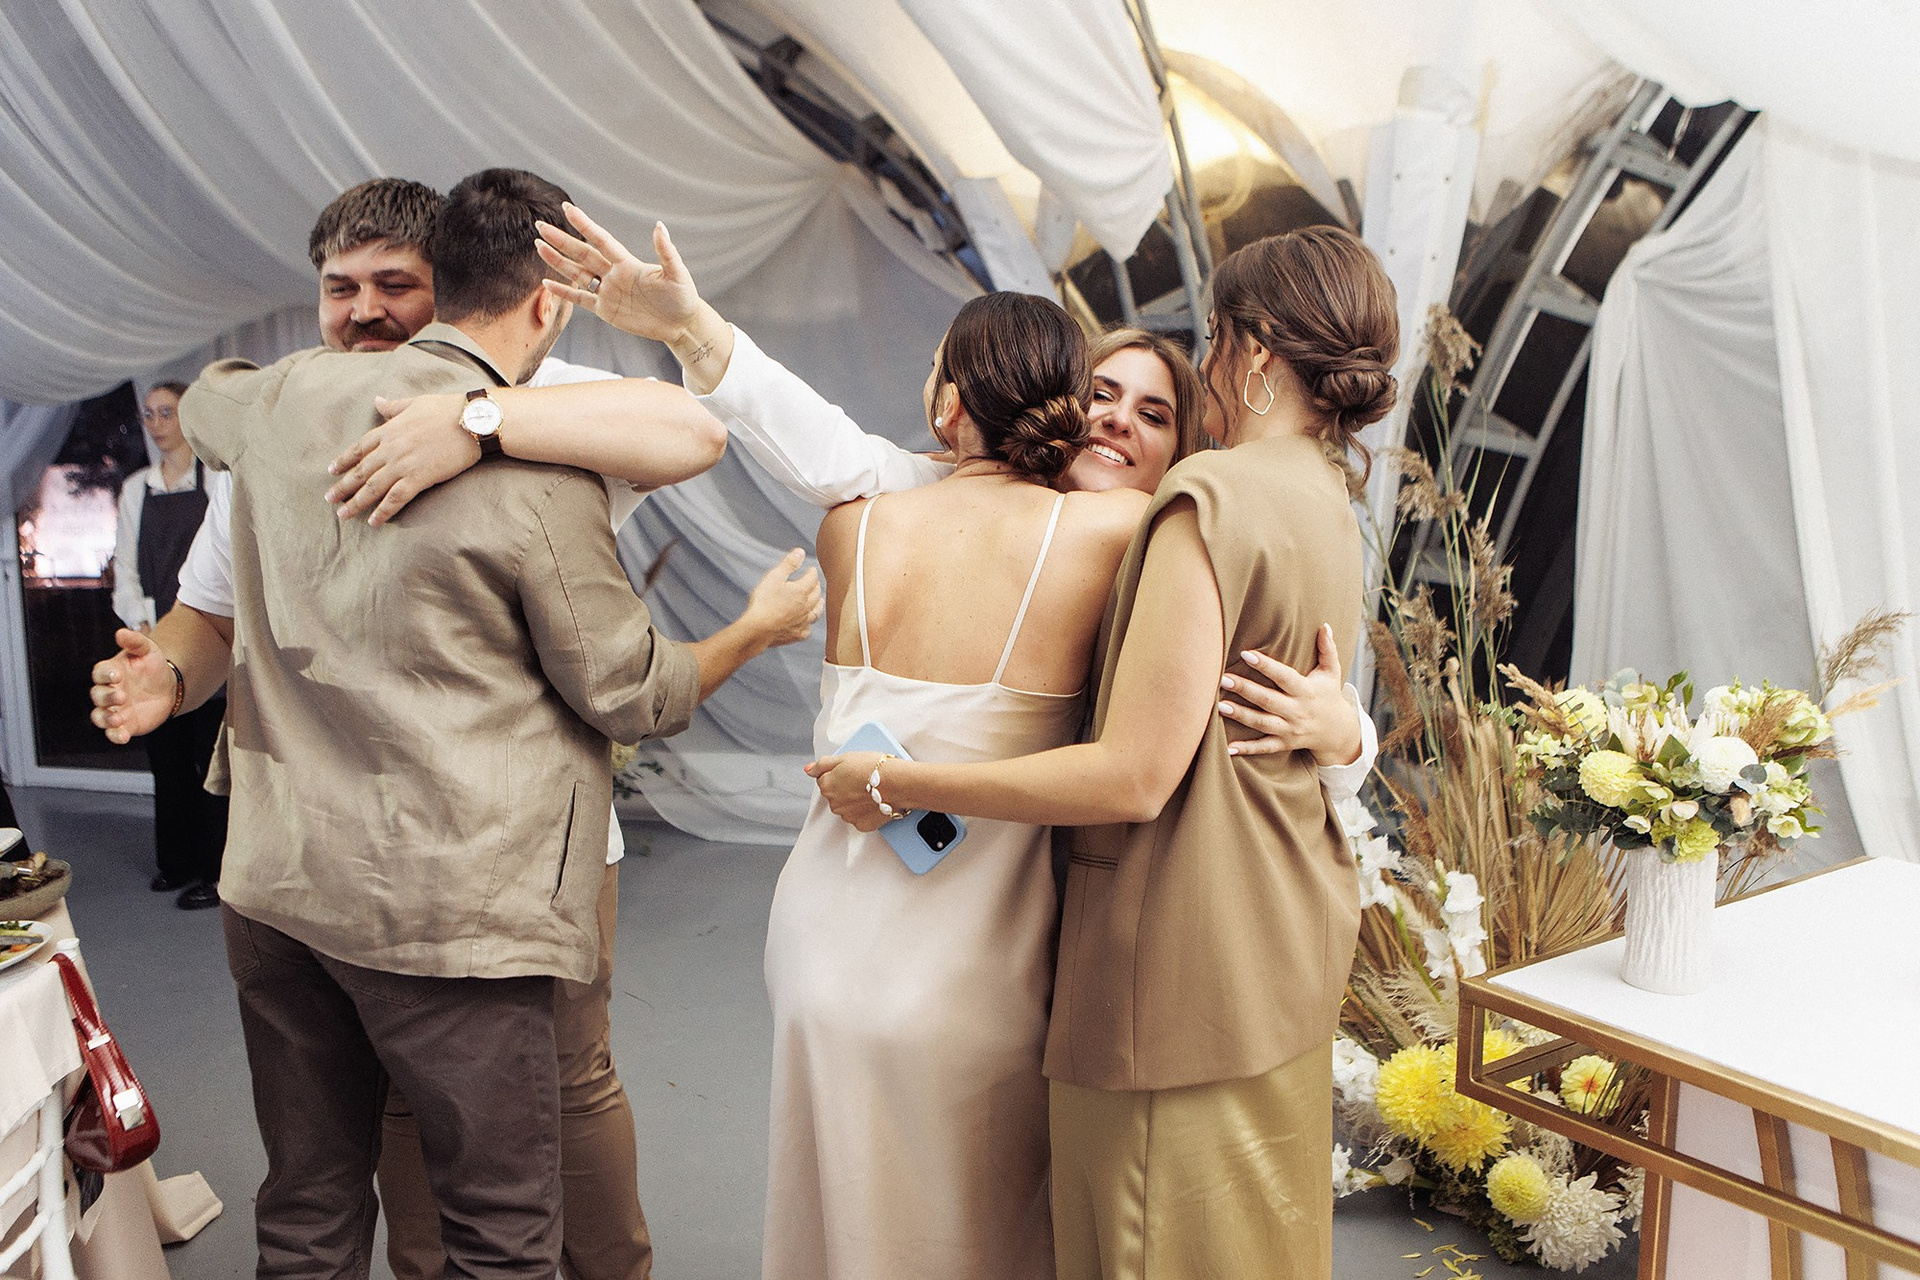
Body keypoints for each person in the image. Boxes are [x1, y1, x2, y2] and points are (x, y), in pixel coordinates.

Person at [91, 168, 813, 1279]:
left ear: (450, 285)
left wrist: (478, 418)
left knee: (549, 1094)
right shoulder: (303, 410)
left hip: (478, 865)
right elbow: (211, 611)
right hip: (413, 886)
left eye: (393, 284)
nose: (364, 311)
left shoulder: (548, 419)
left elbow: (693, 429)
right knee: (485, 1212)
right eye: (340, 289)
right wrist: (169, 676)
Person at [810, 226, 1397, 1280]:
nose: (1126, 417)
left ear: (1256, 353)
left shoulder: (1206, 501)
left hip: (1170, 957)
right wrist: (1347, 730)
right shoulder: (1324, 497)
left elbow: (1136, 772)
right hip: (1273, 939)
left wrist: (897, 780)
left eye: (1210, 343)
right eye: (1099, 395)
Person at [111, 380, 227, 908]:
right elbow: (126, 571)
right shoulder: (137, 489)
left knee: (211, 764)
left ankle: (217, 872)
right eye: (149, 414)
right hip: (154, 640)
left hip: (212, 642)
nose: (157, 423)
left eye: (167, 412)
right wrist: (146, 631)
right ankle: (176, 862)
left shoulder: (217, 480)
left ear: (189, 418)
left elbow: (223, 569)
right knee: (168, 761)